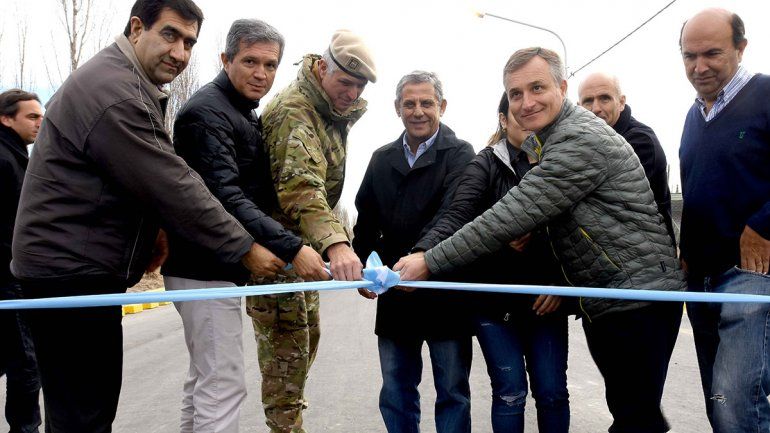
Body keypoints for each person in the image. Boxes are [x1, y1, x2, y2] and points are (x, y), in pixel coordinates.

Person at [11, 1, 287, 431]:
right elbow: (171, 183)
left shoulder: (124, 82)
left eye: (189, 42)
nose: (179, 53)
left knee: (84, 410)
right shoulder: (117, 92)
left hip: (72, 265)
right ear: (137, 28)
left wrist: (155, 232)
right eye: (170, 35)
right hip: (69, 271)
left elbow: (131, 180)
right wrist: (245, 247)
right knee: (84, 415)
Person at [396, 47, 685, 433]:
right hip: (612, 297)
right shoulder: (545, 141)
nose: (526, 102)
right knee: (634, 413)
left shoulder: (577, 140)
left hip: (637, 299)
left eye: (537, 88)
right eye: (516, 94)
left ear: (562, 87)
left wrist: (429, 260)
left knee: (636, 419)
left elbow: (508, 215)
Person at [161, 19, 328, 433]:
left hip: (209, 268)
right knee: (222, 384)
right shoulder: (207, 114)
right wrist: (292, 247)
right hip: (203, 269)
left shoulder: (237, 110)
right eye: (250, 61)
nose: (261, 74)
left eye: (271, 65)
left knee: (205, 380)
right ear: (225, 59)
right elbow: (226, 196)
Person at [411, 91, 570, 433]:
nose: (528, 123)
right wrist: (423, 253)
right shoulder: (482, 165)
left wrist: (562, 284)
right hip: (493, 306)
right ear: (502, 119)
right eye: (517, 116)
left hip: (547, 303)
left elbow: (574, 230)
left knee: (553, 393)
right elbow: (457, 216)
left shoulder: (559, 160)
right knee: (511, 393)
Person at [247, 29, 376, 433]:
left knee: (304, 344)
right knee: (287, 357)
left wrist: (345, 249)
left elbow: (327, 194)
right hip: (276, 254)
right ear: (322, 68)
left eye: (359, 86)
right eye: (345, 82)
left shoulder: (329, 113)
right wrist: (337, 246)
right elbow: (301, 186)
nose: (352, 93)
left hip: (300, 252)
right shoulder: (295, 110)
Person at [352, 71, 475, 433]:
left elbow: (455, 214)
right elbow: (365, 223)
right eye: (409, 103)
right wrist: (364, 265)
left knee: (453, 391)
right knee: (396, 390)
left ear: (443, 106)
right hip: (394, 295)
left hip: (444, 291)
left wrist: (423, 256)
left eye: (427, 103)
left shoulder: (460, 154)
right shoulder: (381, 158)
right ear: (397, 108)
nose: (418, 111)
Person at [678, 8, 770, 432]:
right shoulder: (693, 117)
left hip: (751, 273)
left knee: (737, 400)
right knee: (717, 400)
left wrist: (763, 225)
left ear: (741, 47)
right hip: (703, 279)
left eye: (712, 53)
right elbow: (695, 188)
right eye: (689, 56)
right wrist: (685, 250)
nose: (699, 66)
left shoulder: (766, 95)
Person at [578, 73, 676, 245]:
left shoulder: (640, 141)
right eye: (588, 101)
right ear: (578, 106)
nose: (595, 108)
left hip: (647, 259)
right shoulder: (585, 141)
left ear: (621, 102)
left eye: (604, 98)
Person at [0, 89, 43, 433]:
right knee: (26, 364)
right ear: (5, 118)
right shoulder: (4, 158)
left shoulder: (16, 156)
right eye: (31, 117)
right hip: (8, 278)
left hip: (13, 276)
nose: (39, 123)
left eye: (41, 116)